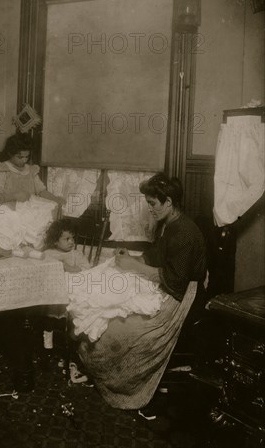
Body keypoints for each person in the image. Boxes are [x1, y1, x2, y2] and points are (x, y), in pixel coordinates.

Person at [76, 173, 207, 409]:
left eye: (153, 203)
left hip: (181, 297)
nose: (150, 209)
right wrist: (134, 258)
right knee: (104, 308)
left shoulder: (186, 232)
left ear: (169, 202)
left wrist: (135, 267)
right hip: (168, 286)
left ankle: (126, 388)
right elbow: (156, 255)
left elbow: (175, 281)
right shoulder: (169, 223)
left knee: (120, 331)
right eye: (148, 203)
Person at [42, 218, 91, 382]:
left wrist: (70, 269)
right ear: (56, 241)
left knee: (74, 317)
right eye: (66, 239)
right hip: (53, 294)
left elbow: (87, 271)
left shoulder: (76, 254)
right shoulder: (49, 254)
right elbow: (44, 273)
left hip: (72, 295)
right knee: (48, 317)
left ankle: (72, 351)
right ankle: (47, 346)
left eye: (73, 238)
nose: (71, 242)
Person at [0, 133, 65, 207]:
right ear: (10, 153)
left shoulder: (31, 170)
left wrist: (55, 199)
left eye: (27, 157)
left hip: (29, 209)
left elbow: (41, 191)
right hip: (9, 210)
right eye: (20, 157)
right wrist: (14, 196)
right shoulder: (3, 169)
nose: (24, 160)